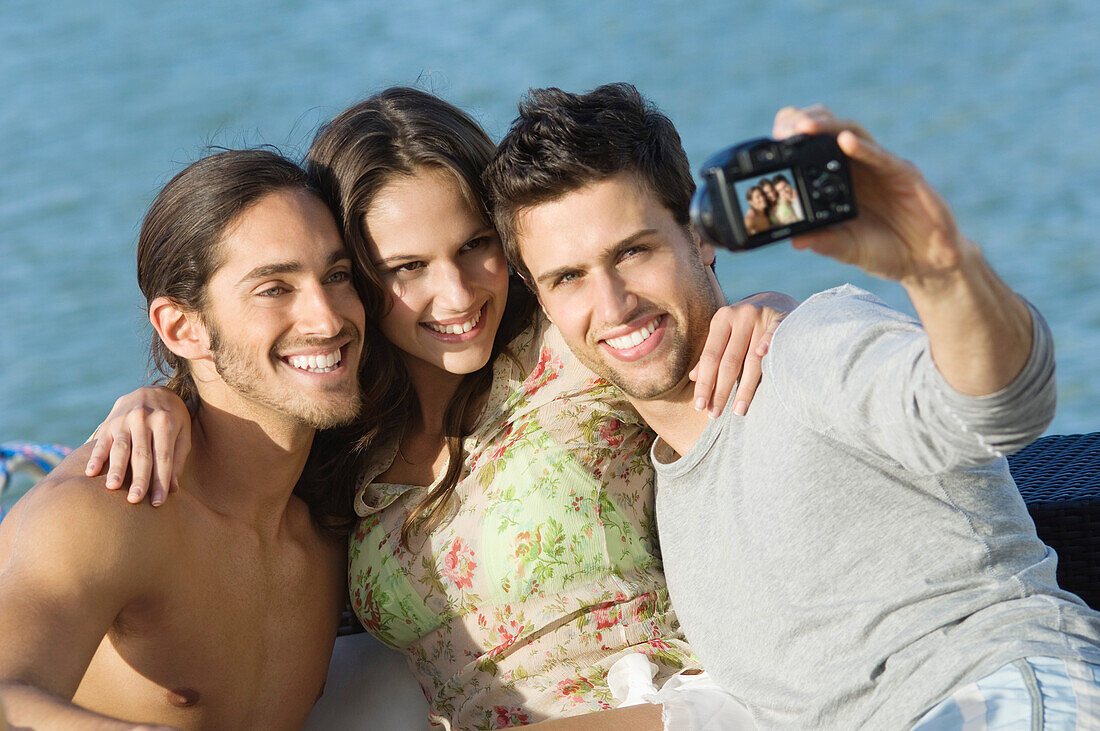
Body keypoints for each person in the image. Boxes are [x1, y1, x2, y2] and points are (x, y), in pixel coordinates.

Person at [76, 88, 790, 729]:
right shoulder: (343, 450)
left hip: (670, 707)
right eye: (407, 269)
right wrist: (168, 397)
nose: (456, 296)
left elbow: (671, 317)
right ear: (351, 278)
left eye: (476, 245)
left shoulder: (569, 351)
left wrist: (769, 309)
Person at [483, 83, 1100, 728]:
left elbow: (995, 408)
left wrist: (937, 267)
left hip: (999, 689)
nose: (612, 305)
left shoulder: (807, 347)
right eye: (569, 277)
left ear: (700, 238)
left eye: (633, 251)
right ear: (541, 298)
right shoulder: (674, 500)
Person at [0, 150, 364, 728]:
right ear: (182, 328)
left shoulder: (336, 514)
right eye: (274, 288)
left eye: (337, 276)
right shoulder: (112, 510)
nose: (327, 319)